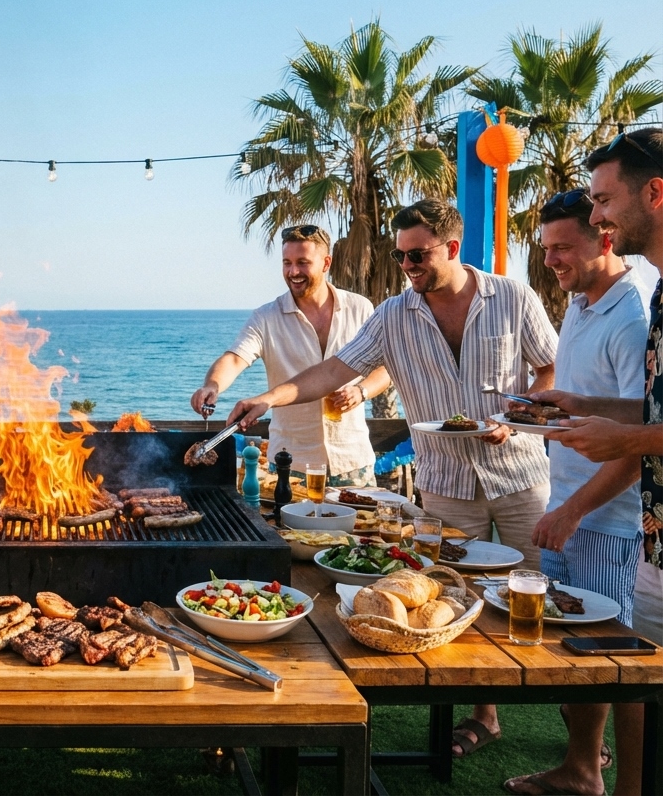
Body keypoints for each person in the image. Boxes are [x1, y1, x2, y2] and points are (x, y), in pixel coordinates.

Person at [228, 199, 557, 757]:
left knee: (540, 592)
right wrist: (267, 396)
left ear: (452, 248)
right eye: (401, 255)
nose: (407, 265)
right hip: (445, 483)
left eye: (418, 254)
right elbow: (332, 372)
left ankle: (581, 744)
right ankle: (484, 716)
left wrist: (520, 414)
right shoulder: (394, 315)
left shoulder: (513, 296)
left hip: (521, 471)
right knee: (448, 597)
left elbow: (550, 364)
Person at [521, 128, 663, 796]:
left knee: (621, 667)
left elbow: (641, 440)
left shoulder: (634, 314)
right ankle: (582, 768)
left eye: (563, 247)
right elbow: (634, 412)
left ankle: (620, 783)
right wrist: (569, 404)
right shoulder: (583, 303)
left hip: (609, 518)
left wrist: (576, 508)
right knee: (581, 657)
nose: (552, 260)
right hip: (580, 507)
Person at [189, 224, 391, 486]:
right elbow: (235, 358)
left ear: (326, 262)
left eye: (302, 262)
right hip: (290, 465)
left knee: (363, 528)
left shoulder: (360, 307)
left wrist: (361, 391)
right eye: (287, 263)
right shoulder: (266, 317)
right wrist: (212, 385)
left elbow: (384, 369)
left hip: (353, 462)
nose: (293, 272)